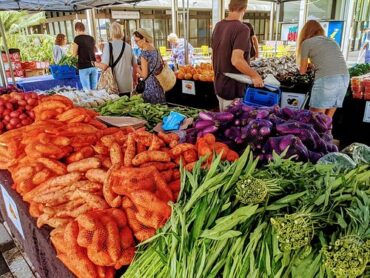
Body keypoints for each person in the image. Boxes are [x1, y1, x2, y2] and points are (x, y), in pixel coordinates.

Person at [211, 0, 263, 111]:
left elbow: (214, 55)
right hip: (232, 88)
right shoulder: (243, 28)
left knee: (223, 120)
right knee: (232, 125)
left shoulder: (218, 25)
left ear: (229, 7)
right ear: (245, 9)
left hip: (219, 84)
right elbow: (236, 60)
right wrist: (255, 75)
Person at [297, 20, 349, 119]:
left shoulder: (307, 43)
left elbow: (302, 71)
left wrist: (308, 66)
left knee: (315, 119)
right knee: (327, 120)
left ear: (305, 32)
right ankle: (327, 134)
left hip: (327, 80)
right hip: (344, 79)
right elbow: (329, 60)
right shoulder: (331, 40)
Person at [94, 22, 137, 96]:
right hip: (128, 84)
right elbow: (135, 66)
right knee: (128, 106)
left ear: (111, 33)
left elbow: (104, 66)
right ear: (121, 32)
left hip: (114, 85)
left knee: (117, 106)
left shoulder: (108, 46)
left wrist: (93, 63)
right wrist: (135, 80)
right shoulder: (128, 46)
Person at [133, 28, 165, 104]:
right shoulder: (156, 50)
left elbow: (144, 75)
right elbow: (160, 66)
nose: (136, 43)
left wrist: (137, 68)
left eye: (136, 41)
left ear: (143, 39)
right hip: (159, 85)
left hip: (149, 87)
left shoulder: (144, 54)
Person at [72, 22, 98, 91]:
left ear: (77, 29)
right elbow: (95, 50)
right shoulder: (91, 38)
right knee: (95, 89)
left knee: (87, 90)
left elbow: (74, 54)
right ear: (84, 29)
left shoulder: (77, 39)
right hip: (94, 66)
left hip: (83, 66)